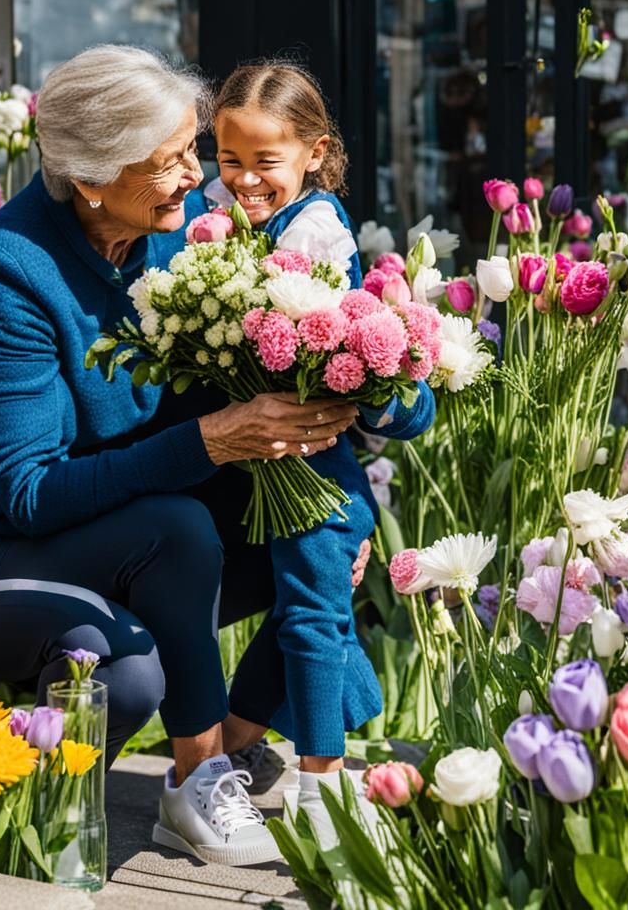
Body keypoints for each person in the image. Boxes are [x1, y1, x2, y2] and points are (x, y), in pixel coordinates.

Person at [0, 45, 361, 867]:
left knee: (320, 542)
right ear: (93, 180)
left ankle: (233, 745)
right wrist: (210, 441)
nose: (195, 177)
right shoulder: (13, 271)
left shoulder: (173, 239)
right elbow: (30, 494)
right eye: (170, 161)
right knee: (126, 666)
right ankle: (185, 782)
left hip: (106, 531)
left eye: (190, 151)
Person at [200, 61, 435, 835]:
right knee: (307, 615)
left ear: (314, 152)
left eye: (265, 161)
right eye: (229, 158)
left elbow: (342, 363)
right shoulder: (220, 213)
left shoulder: (317, 232)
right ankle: (231, 748)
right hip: (262, 463)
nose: (243, 179)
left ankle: (320, 789)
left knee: (312, 619)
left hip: (315, 467)